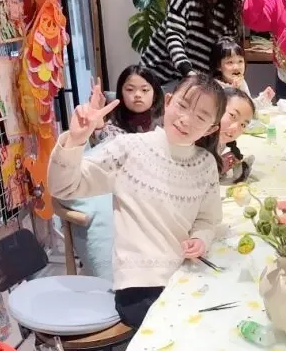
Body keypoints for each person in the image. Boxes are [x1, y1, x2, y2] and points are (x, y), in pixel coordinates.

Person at [48, 73, 226, 327]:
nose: (186, 119)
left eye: (201, 117)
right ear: (168, 102)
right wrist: (75, 140)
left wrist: (200, 238)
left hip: (186, 276)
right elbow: (63, 187)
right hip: (140, 286)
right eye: (183, 106)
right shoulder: (128, 148)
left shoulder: (205, 164)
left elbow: (208, 219)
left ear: (211, 128)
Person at [96, 64, 163, 141]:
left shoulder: (165, 121)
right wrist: (98, 122)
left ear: (155, 95)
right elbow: (106, 143)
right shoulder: (114, 127)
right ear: (121, 94)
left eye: (144, 90)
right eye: (130, 89)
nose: (137, 95)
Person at [209, 35, 274, 104]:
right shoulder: (214, 88)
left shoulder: (242, 82)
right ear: (218, 66)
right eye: (230, 62)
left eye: (240, 61)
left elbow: (249, 106)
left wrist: (263, 99)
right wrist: (235, 92)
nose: (236, 67)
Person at [218, 86, 255, 184]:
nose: (235, 128)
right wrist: (215, 168)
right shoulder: (195, 138)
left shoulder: (221, 141)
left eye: (243, 125)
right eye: (233, 116)